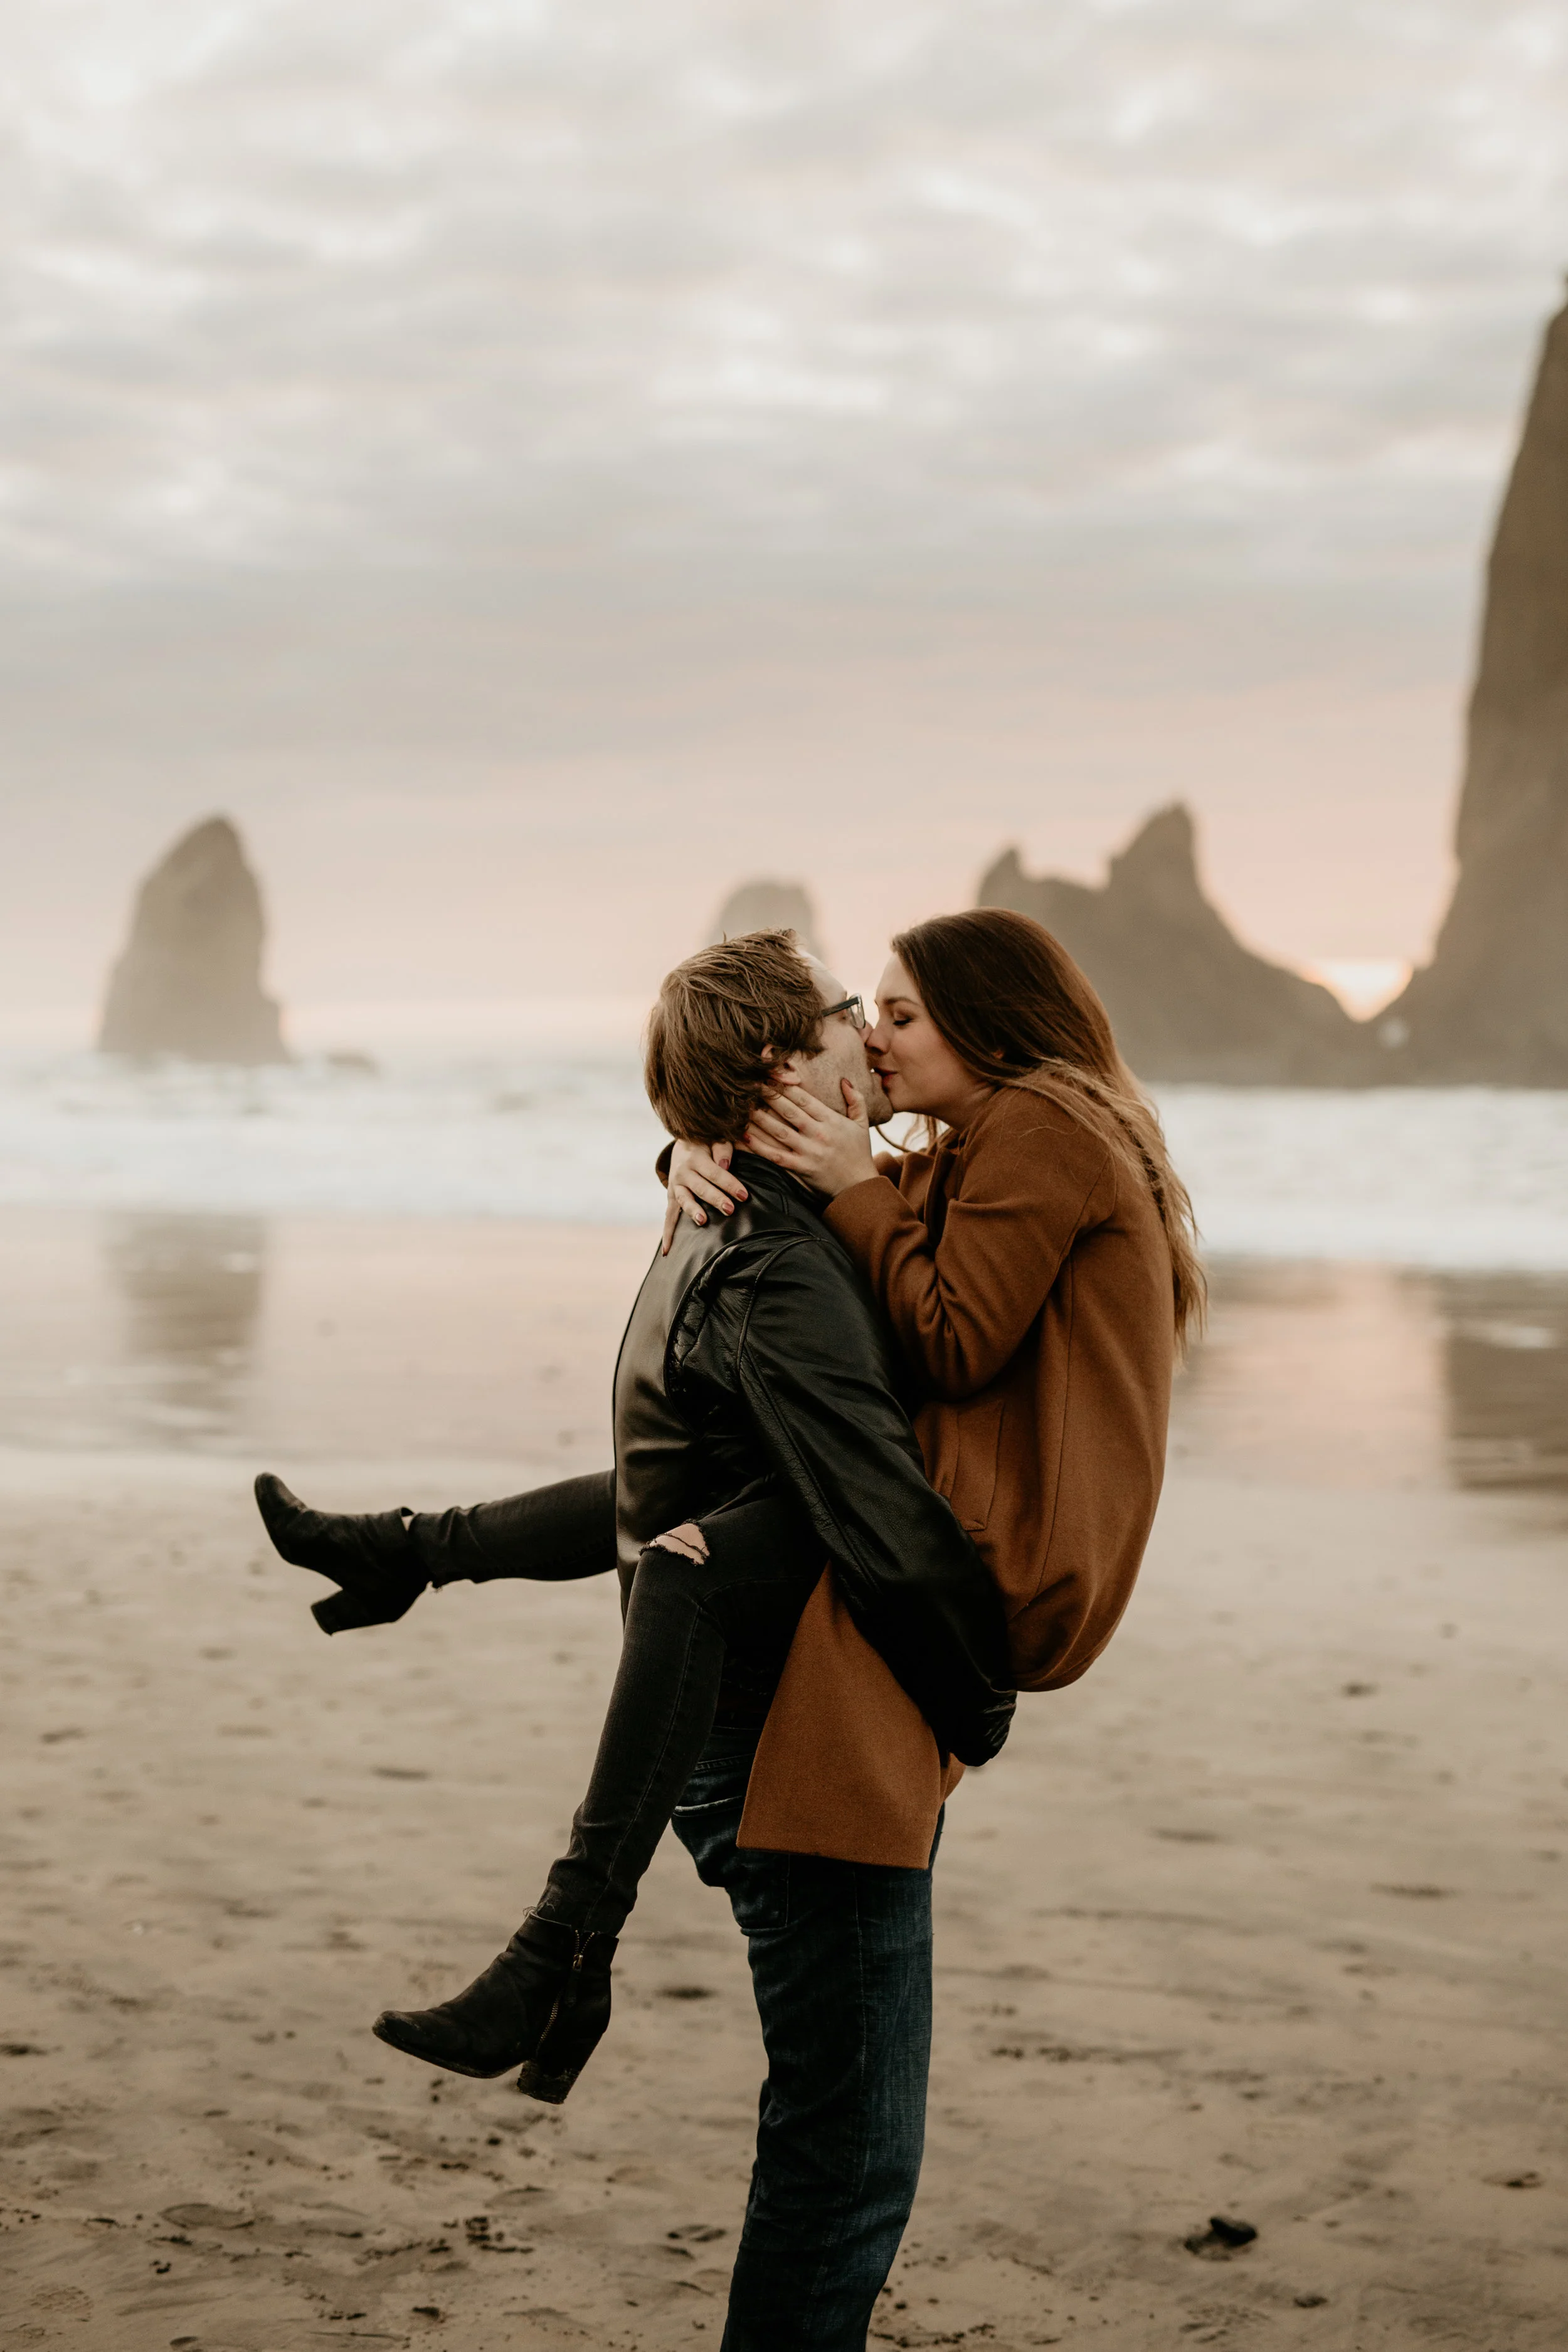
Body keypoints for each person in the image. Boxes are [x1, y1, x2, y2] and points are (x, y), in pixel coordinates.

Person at [258, 930, 1015, 2352]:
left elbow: (677, 1488)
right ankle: (558, 1946)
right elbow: (878, 1515)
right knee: (845, 2165)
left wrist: (683, 1150)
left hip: (725, 1731)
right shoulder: (776, 1267)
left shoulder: (720, 1216)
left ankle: (403, 1556)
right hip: (786, 1742)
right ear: (790, 1067)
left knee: (831, 2147)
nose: (871, 1033)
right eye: (852, 1015)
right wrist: (985, 1694)